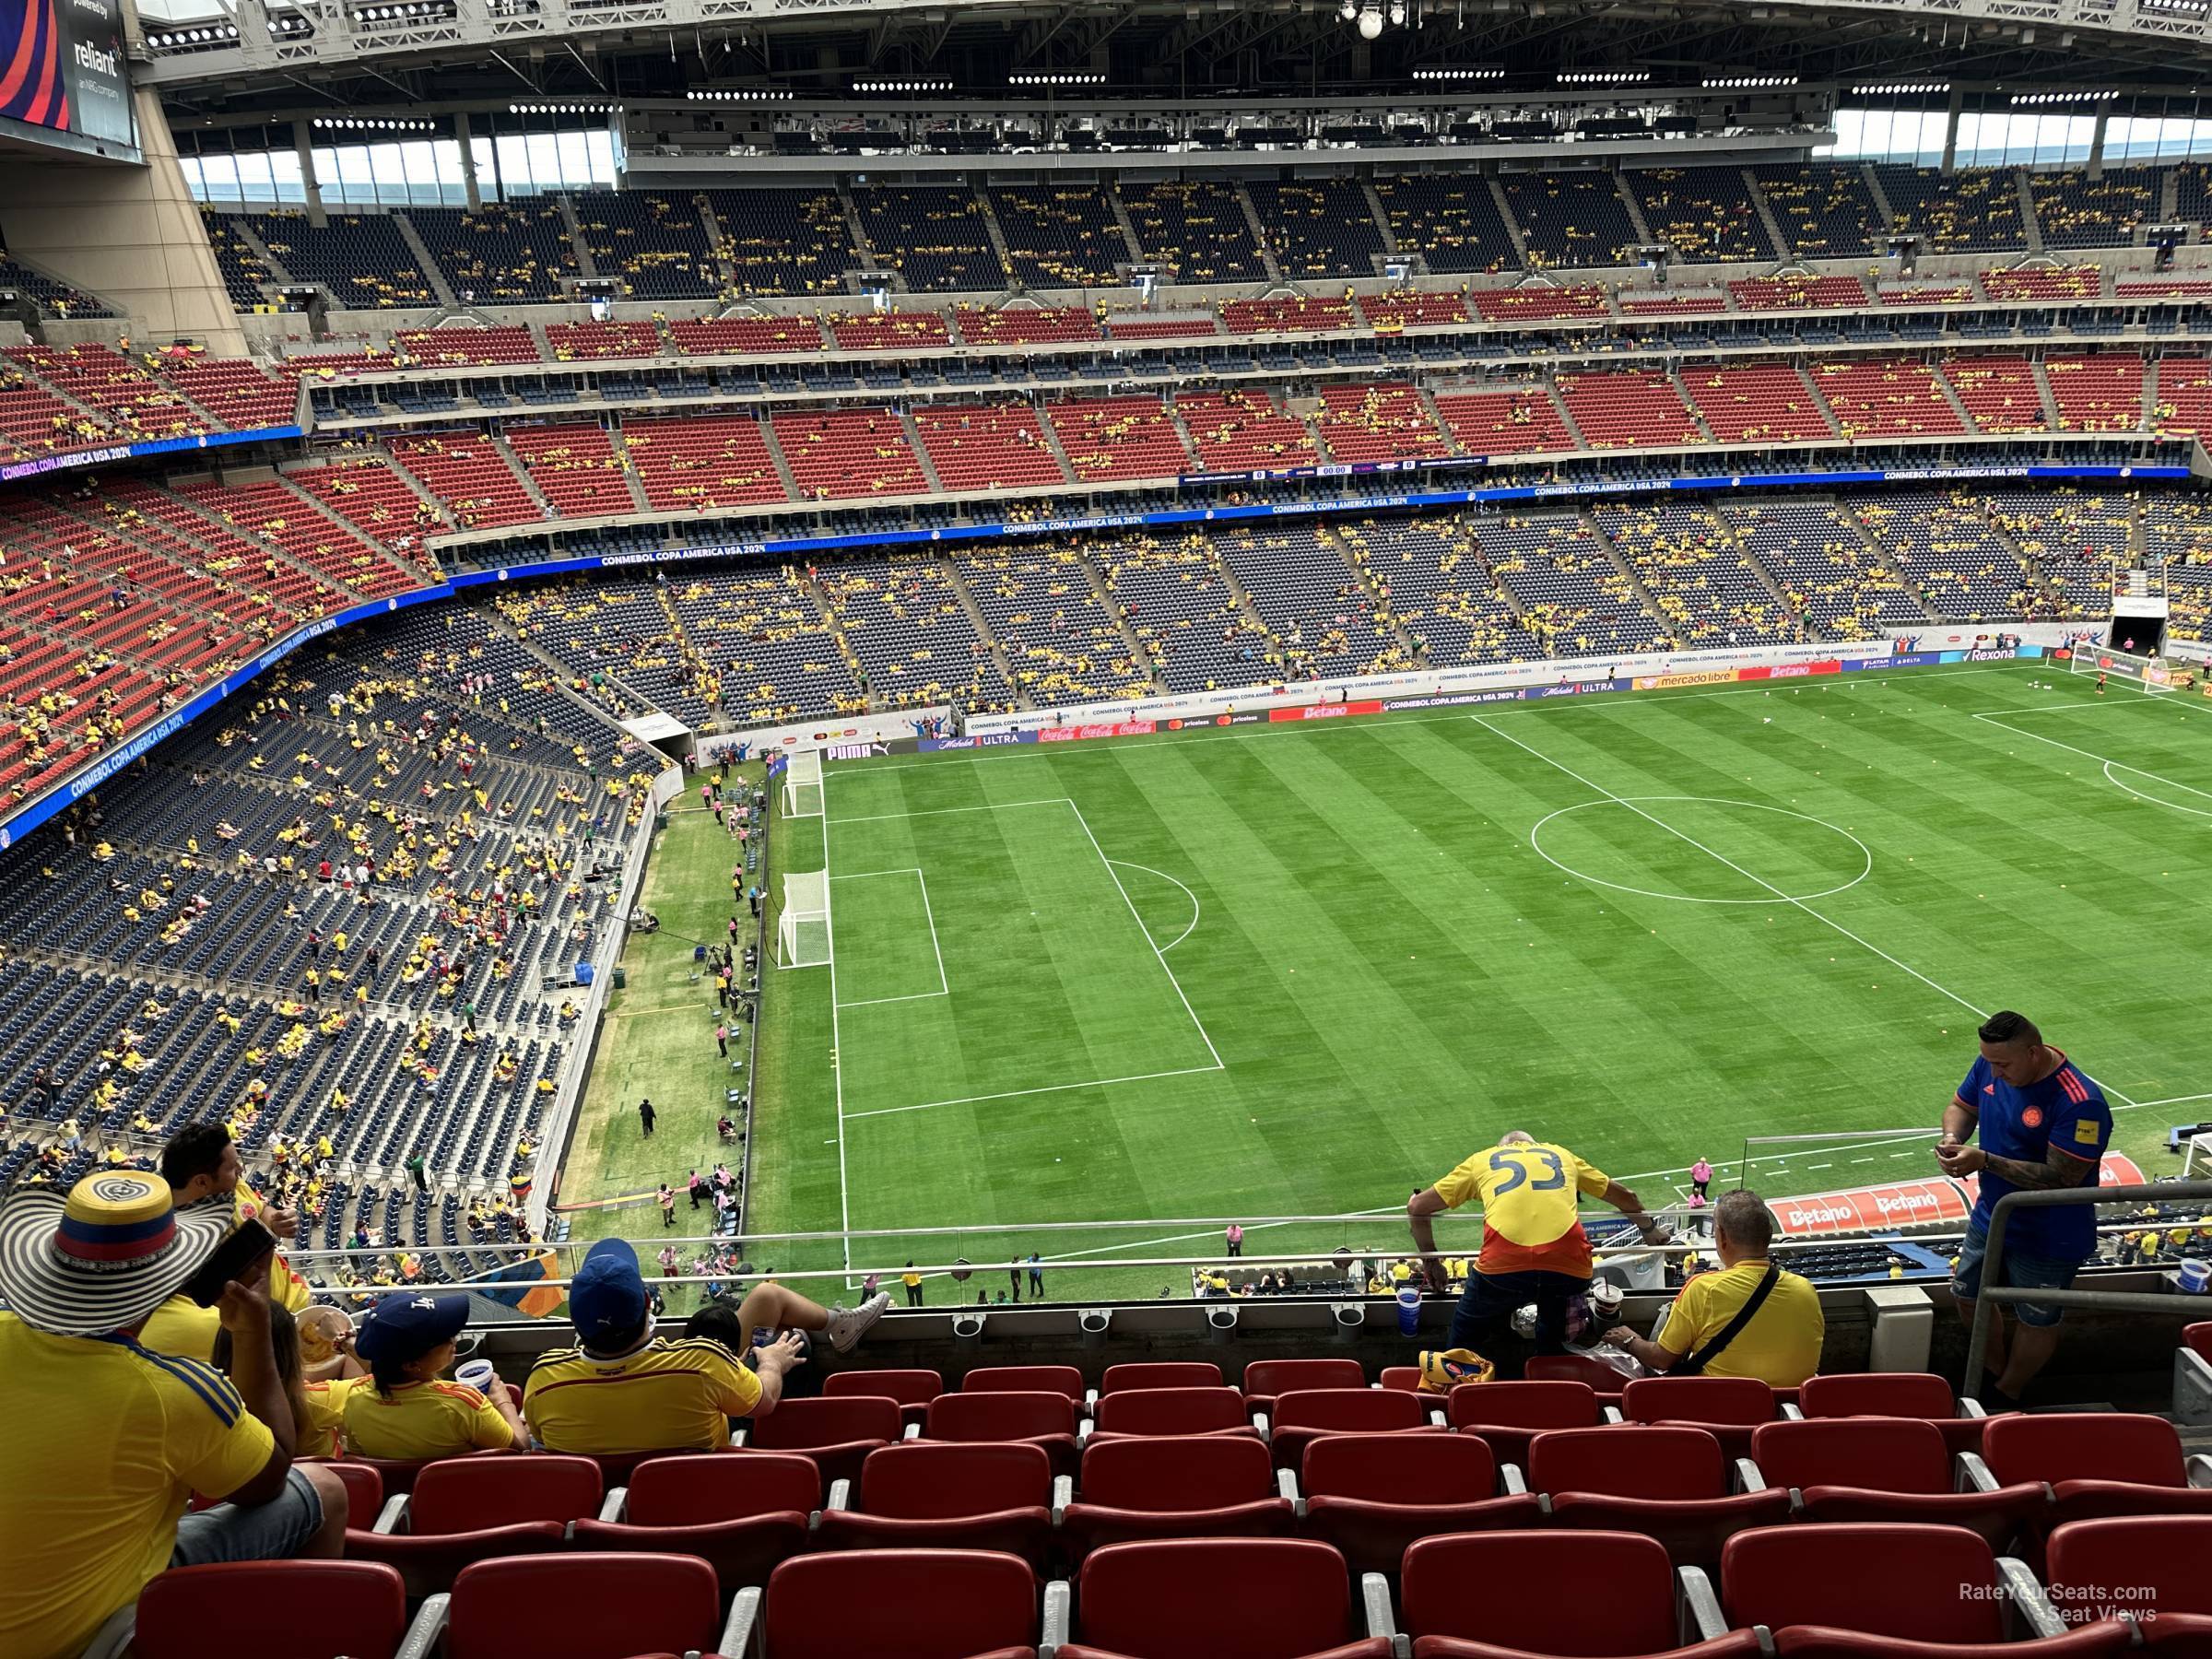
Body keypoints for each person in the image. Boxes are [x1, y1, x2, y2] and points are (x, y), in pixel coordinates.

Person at [0, 1171, 349, 1659]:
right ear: (174, 1276)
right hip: (82, 1640)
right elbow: (268, 1476)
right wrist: (251, 1333)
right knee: (326, 1489)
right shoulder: (174, 1393)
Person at [522, 1239, 889, 1453]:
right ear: (649, 1305)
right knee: (786, 1327)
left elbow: (535, 1440)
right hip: (706, 1468)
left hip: (617, 1513)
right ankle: (839, 1327)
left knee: (764, 1299)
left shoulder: (544, 1381)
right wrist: (772, 1364)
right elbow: (764, 1402)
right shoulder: (698, 1363)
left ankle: (842, 1326)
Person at [1936, 1010, 2112, 1409]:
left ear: (2034, 1053)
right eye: (1989, 1062)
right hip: (1992, 1216)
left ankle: (2008, 1392)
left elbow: (2062, 1177)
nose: (1994, 1073)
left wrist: (1985, 1161)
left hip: (2050, 1232)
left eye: (2003, 1065)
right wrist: (1951, 1137)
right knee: (1967, 1297)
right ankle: (1995, 1377)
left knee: (2037, 1317)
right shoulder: (1990, 1062)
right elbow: (1961, 1106)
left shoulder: (2080, 1102)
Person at [1408, 1130, 1663, 1371]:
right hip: (1569, 1263)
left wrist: (1432, 1262)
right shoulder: (1561, 1155)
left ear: (1503, 1148)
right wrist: (1650, 1230)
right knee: (1553, 1333)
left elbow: (1418, 1206)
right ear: (1534, 1146)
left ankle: (1458, 1384)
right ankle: (1547, 1378)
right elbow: (1627, 1197)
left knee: (1466, 1330)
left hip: (1503, 1264)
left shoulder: (1482, 1160)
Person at [1603, 1190, 1823, 1385]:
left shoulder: (1704, 1289)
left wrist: (1628, 1340)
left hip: (1722, 1413)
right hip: (1789, 1417)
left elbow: (1661, 1358)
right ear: (1768, 1233)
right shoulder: (1806, 1288)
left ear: (1722, 1237)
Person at [143, 1124, 309, 1360]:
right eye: (232, 1167)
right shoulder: (173, 1240)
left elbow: (262, 1212)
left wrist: (278, 1221)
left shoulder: (232, 1186)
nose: (241, 1170)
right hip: (260, 1331)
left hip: (294, 1301)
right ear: (201, 1182)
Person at [342, 1293, 529, 1457]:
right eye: (444, 1338)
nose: (454, 1339)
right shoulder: (461, 1403)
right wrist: (503, 1401)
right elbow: (520, 1450)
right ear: (412, 1364)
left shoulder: (354, 1399)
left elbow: (359, 1453)